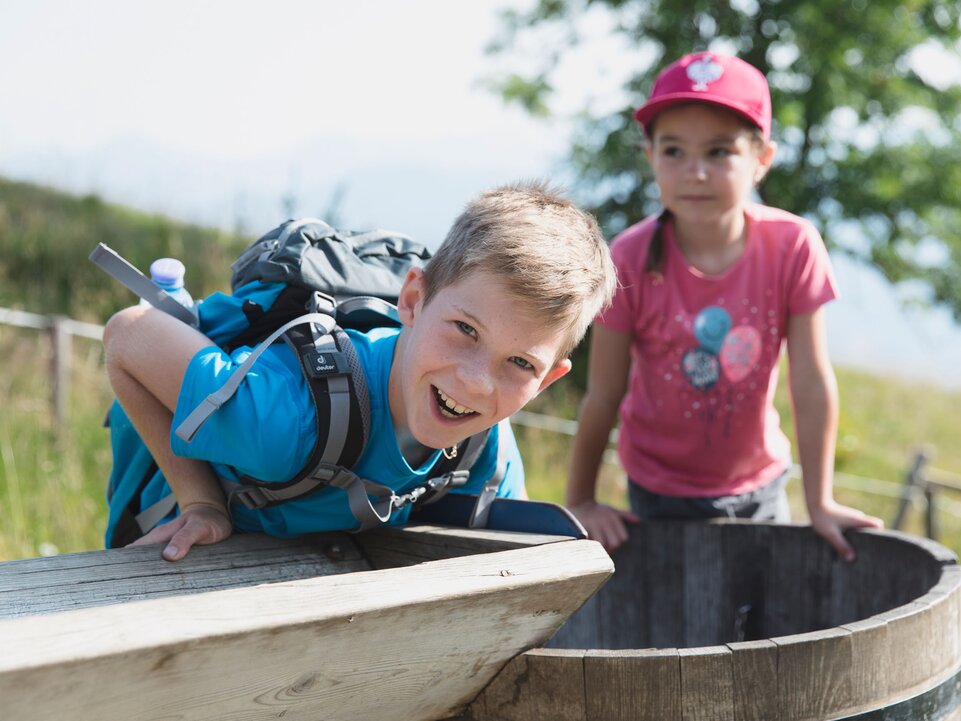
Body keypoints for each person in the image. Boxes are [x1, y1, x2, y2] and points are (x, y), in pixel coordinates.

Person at [103, 180, 617, 561]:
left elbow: (514, 550)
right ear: (412, 300)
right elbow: (129, 333)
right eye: (465, 329)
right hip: (162, 575)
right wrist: (202, 501)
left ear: (547, 380)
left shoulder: (484, 449)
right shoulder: (287, 422)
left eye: (520, 363)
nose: (476, 382)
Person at [566, 51, 883, 561]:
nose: (695, 172)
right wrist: (580, 500)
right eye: (673, 150)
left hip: (760, 490)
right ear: (649, 155)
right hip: (654, 497)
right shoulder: (626, 257)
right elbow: (603, 394)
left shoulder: (792, 246)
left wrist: (820, 501)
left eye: (719, 152)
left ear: (762, 159)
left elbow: (810, 379)